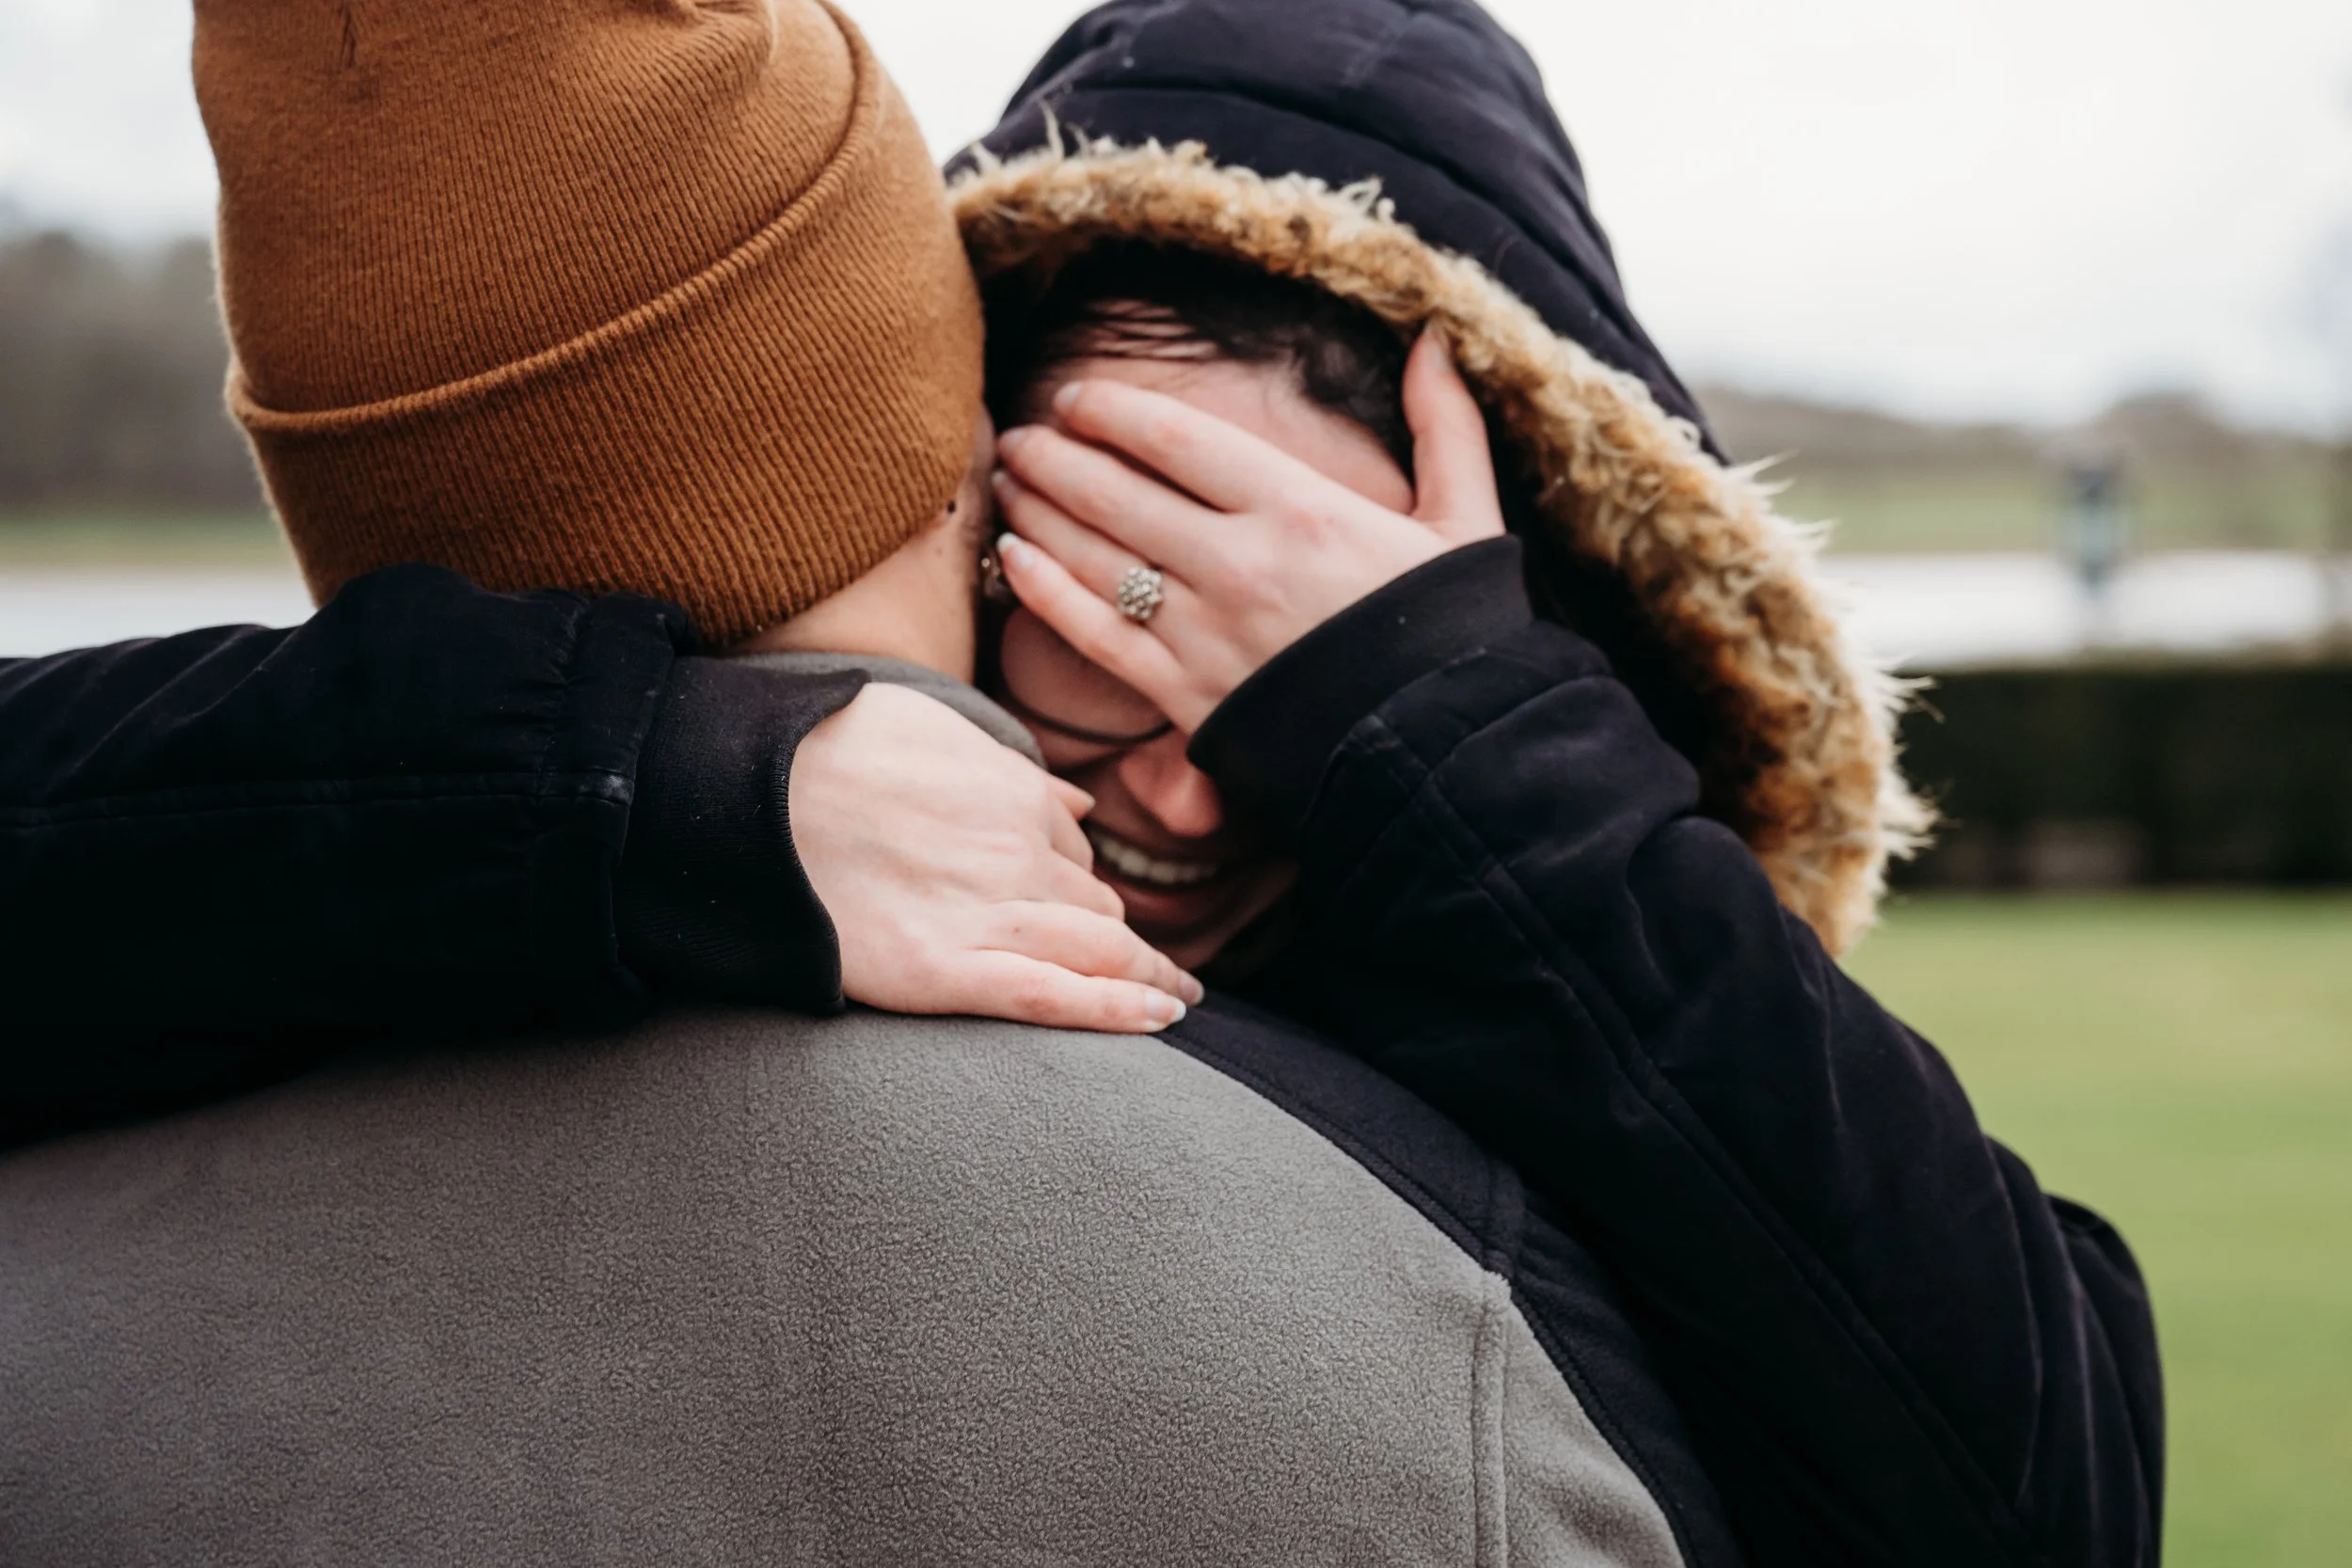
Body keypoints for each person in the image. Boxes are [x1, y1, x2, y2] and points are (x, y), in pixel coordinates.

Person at [0, 0, 2162, 1563]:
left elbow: (2045, 1496)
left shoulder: (1582, 1004)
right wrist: (641, 778)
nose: (1194, 803)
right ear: (949, 502)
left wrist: (1455, 746)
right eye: (1117, 606)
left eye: (1300, 681)